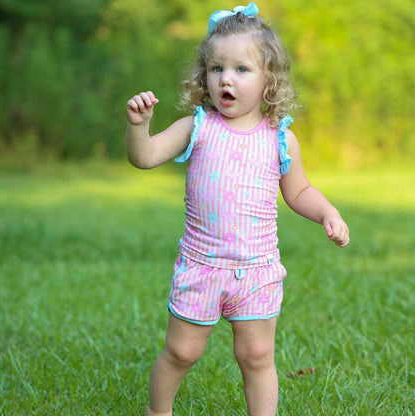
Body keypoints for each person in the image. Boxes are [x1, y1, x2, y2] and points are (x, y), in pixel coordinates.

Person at [125, 3, 349, 415]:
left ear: (269, 80)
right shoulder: (198, 127)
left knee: (258, 355)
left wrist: (328, 212)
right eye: (216, 68)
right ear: (204, 75)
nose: (226, 78)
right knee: (182, 352)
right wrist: (140, 127)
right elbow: (146, 157)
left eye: (241, 69)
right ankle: (158, 412)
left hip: (257, 270)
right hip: (202, 266)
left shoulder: (280, 139)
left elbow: (299, 192)